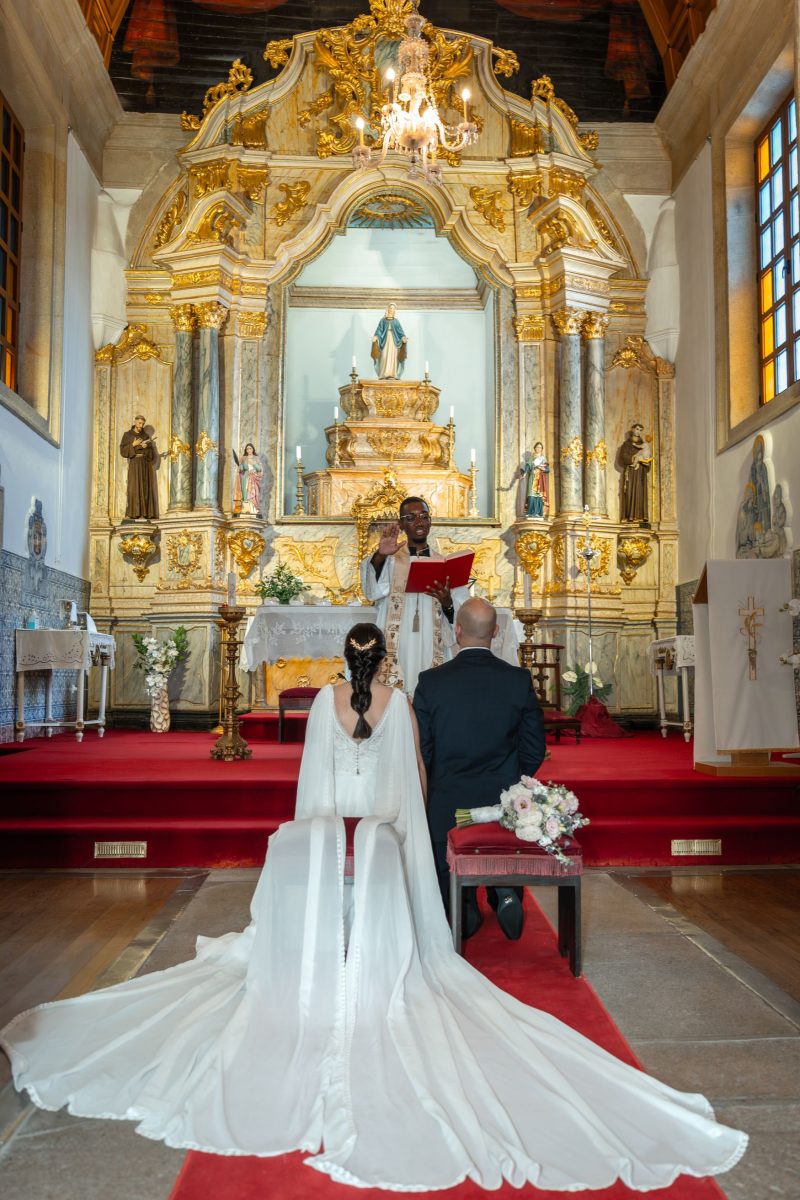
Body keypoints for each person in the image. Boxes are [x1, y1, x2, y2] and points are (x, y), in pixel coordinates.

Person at [0, 622, 748, 1192]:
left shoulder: (325, 705)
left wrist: (322, 829)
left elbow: (312, 784)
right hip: (384, 830)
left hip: (328, 825)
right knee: (397, 883)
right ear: (385, 660)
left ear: (343, 658)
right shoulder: (401, 705)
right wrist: (398, 835)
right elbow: (410, 782)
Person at [413, 598, 545, 940]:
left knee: (444, 859)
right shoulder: (517, 680)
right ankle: (504, 889)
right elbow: (534, 748)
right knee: (502, 841)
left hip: (447, 801)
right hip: (502, 799)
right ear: (496, 632)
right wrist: (512, 783)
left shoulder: (431, 682)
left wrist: (434, 786)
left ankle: (463, 901)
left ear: (457, 631)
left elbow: (423, 751)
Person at [360, 496, 470, 694]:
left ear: (430, 521)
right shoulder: (390, 561)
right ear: (401, 524)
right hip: (398, 643)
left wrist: (447, 603)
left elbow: (460, 614)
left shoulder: (444, 564)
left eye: (424, 516)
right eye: (411, 518)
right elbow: (372, 591)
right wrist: (380, 555)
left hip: (432, 642)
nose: (419, 522)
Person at [120, 414, 158, 520]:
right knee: (133, 488)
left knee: (144, 488)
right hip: (134, 463)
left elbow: (152, 455)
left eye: (143, 424)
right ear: (135, 422)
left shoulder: (145, 436)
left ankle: (144, 514)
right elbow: (122, 451)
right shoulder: (127, 435)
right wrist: (133, 444)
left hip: (144, 465)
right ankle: (132, 513)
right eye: (139, 423)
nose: (141, 426)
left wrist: (146, 448)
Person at [616, 422, 651, 524]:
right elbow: (622, 458)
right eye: (636, 429)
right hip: (630, 472)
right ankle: (629, 516)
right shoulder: (626, 445)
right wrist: (633, 459)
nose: (638, 431)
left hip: (641, 473)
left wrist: (645, 461)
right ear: (632, 429)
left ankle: (640, 516)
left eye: (640, 430)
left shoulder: (644, 445)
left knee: (640, 494)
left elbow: (647, 458)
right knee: (630, 492)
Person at [370, 302, 407, 379]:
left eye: (393, 308)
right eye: (390, 308)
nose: (391, 309)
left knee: (393, 357)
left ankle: (393, 374)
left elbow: (400, 331)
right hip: (385, 341)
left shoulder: (396, 321)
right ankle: (384, 374)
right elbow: (379, 330)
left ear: (395, 310)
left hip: (394, 342)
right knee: (384, 356)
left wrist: (403, 337)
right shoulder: (383, 320)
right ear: (388, 309)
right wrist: (376, 337)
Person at [520, 441, 550, 518]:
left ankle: (538, 512)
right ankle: (530, 512)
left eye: (540, 447)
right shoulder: (532, 457)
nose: (538, 448)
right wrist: (525, 474)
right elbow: (528, 466)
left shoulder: (543, 458)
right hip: (532, 477)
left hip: (540, 478)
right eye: (537, 447)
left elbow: (548, 470)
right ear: (535, 448)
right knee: (531, 494)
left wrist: (542, 468)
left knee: (539, 495)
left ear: (542, 449)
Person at [233, 443, 263, 517]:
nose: (249, 450)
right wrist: (240, 467)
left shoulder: (256, 458)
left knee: (254, 493)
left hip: (254, 477)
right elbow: (242, 469)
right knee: (245, 492)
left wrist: (254, 463)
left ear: (253, 449)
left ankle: (254, 508)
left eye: (250, 448)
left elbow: (259, 469)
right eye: (247, 449)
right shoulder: (244, 458)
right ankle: (246, 508)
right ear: (246, 450)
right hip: (246, 477)